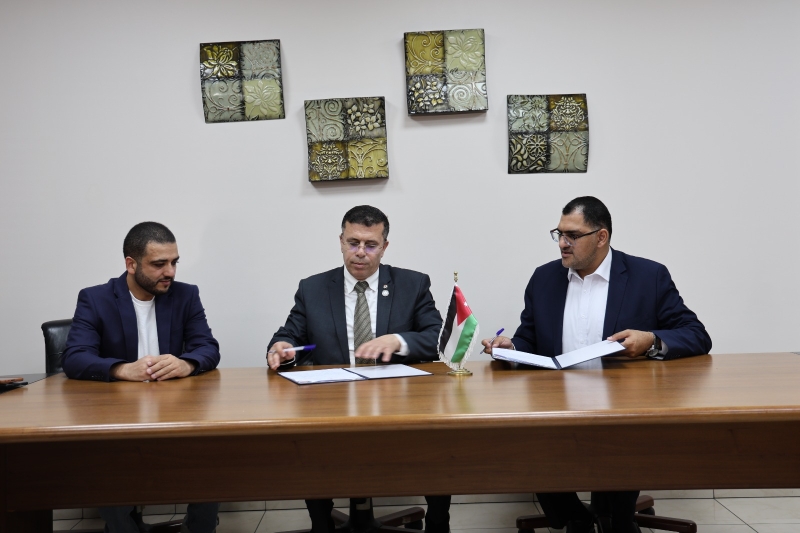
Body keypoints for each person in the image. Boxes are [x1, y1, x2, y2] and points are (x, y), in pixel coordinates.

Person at [482, 196, 712, 533]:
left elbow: (696, 335)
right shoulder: (544, 278)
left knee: (623, 446)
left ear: (601, 236)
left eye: (573, 236)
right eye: (559, 234)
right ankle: (575, 517)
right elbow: (530, 337)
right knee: (526, 440)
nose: (562, 243)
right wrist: (511, 346)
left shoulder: (648, 276)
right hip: (556, 404)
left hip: (622, 406)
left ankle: (619, 519)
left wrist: (650, 339)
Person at [267, 205, 451, 533]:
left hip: (399, 403)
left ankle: (439, 524)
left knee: (440, 439)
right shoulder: (313, 288)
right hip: (332, 403)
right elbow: (289, 335)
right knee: (306, 440)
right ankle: (321, 524)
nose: (361, 252)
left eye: (371, 245)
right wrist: (281, 348)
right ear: (341, 241)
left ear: (385, 246)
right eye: (353, 243)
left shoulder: (412, 284)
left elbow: (438, 338)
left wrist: (398, 340)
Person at [63, 222, 221, 533]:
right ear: (131, 264)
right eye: (159, 264)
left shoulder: (185, 295)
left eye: (174, 262)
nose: (170, 272)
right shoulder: (96, 299)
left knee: (213, 451)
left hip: (175, 415)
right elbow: (74, 357)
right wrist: (121, 369)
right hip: (117, 418)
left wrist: (186, 363)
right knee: (107, 459)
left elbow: (207, 347)